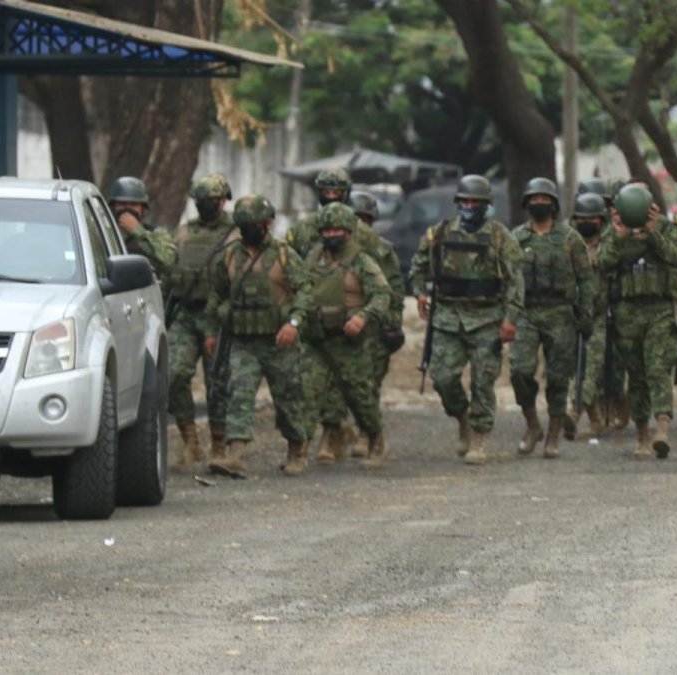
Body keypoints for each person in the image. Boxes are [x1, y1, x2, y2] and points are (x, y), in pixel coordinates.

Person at [410, 174, 524, 465]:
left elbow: (516, 281)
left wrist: (510, 319)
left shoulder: (500, 237)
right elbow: (418, 267)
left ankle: (479, 436)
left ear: (487, 205)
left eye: (476, 202)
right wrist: (420, 292)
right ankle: (462, 416)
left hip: (487, 320)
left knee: (483, 381)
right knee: (442, 378)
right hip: (448, 318)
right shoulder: (440, 233)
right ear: (457, 203)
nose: (470, 207)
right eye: (465, 202)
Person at [208, 195, 312, 478]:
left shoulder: (284, 255)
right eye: (246, 225)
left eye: (256, 224)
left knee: (288, 399)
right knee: (239, 393)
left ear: (267, 224)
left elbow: (305, 292)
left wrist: (293, 322)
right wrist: (211, 330)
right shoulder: (229, 255)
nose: (252, 230)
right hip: (243, 341)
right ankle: (236, 454)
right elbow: (216, 294)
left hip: (279, 341)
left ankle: (296, 449)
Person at [596, 184, 677, 458]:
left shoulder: (668, 229)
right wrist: (619, 236)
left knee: (658, 369)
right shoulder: (613, 233)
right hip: (627, 312)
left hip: (659, 309)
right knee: (637, 376)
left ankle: (662, 427)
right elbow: (603, 262)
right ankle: (642, 435)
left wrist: (652, 232)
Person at [301, 203, 393, 469]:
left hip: (349, 342)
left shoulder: (361, 260)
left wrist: (363, 317)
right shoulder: (313, 257)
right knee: (306, 392)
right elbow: (299, 287)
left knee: (360, 396)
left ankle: (376, 440)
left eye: (336, 230)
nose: (331, 235)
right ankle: (298, 450)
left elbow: (382, 294)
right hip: (316, 339)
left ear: (349, 232)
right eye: (326, 230)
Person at [508, 178, 595, 459]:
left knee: (558, 377)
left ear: (554, 204)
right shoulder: (516, 238)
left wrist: (586, 313)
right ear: (526, 203)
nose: (539, 203)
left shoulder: (570, 238)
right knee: (520, 371)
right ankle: (533, 425)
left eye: (544, 199)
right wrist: (507, 315)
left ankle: (554, 433)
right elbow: (507, 278)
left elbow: (585, 278)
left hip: (561, 313)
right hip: (526, 312)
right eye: (534, 199)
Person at [168, 175, 235, 470]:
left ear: (224, 200)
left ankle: (219, 445)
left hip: (217, 316)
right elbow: (171, 267)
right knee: (173, 375)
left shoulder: (236, 232)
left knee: (217, 382)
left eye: (213, 200)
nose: (208, 205)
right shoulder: (184, 232)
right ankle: (190, 442)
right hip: (185, 313)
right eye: (203, 201)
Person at [563, 192, 610, 439]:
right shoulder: (568, 243)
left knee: (589, 366)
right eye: (582, 218)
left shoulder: (610, 245)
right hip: (572, 314)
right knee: (574, 366)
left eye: (592, 218)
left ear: (601, 220)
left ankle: (574, 411)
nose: (587, 222)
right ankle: (597, 420)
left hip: (600, 316)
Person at [106, 176, 176, 285]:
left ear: (143, 209)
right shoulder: (104, 233)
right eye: (121, 204)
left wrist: (139, 232)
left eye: (133, 205)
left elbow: (169, 262)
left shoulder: (157, 234)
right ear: (113, 207)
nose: (127, 209)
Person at [288, 167, 353, 259]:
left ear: (345, 194)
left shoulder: (358, 227)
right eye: (326, 193)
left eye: (336, 193)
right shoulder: (304, 227)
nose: (331, 197)